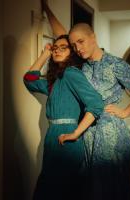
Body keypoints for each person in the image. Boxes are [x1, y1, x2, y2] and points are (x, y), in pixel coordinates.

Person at [42, 2, 130, 200]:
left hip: (111, 136)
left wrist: (125, 112)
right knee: (87, 190)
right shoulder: (80, 63)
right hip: (87, 134)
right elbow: (63, 35)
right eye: (74, 44)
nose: (77, 48)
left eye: (81, 42)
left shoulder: (114, 64)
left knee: (110, 190)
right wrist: (46, 8)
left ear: (93, 37)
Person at [23, 34, 104, 200]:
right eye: (55, 48)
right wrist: (45, 54)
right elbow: (29, 79)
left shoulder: (71, 74)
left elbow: (96, 104)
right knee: (51, 187)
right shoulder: (57, 80)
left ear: (72, 52)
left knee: (60, 189)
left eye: (63, 47)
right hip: (53, 136)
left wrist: (76, 133)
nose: (57, 51)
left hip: (67, 138)